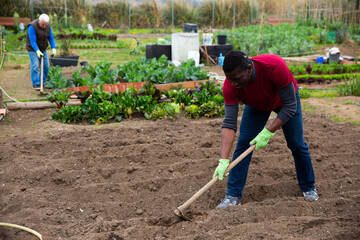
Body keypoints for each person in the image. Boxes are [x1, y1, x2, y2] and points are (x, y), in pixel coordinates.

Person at [213, 50, 319, 209]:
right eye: (230, 80)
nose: (234, 84)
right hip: (257, 105)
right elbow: (229, 123)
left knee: (296, 144)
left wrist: (268, 132)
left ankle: (309, 187)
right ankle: (232, 195)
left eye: (237, 79)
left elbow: (290, 106)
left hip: (285, 102)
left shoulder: (274, 66)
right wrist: (223, 160)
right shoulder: (231, 84)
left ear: (249, 68)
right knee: (244, 144)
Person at [26, 14, 56, 90]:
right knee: (35, 65)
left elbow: (51, 38)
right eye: (43, 25)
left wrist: (53, 48)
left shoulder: (48, 26)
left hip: (42, 49)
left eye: (46, 25)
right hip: (32, 49)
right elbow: (32, 41)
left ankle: (41, 82)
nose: (44, 27)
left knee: (46, 66)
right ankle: (36, 83)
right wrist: (37, 50)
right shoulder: (32, 26)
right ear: (39, 20)